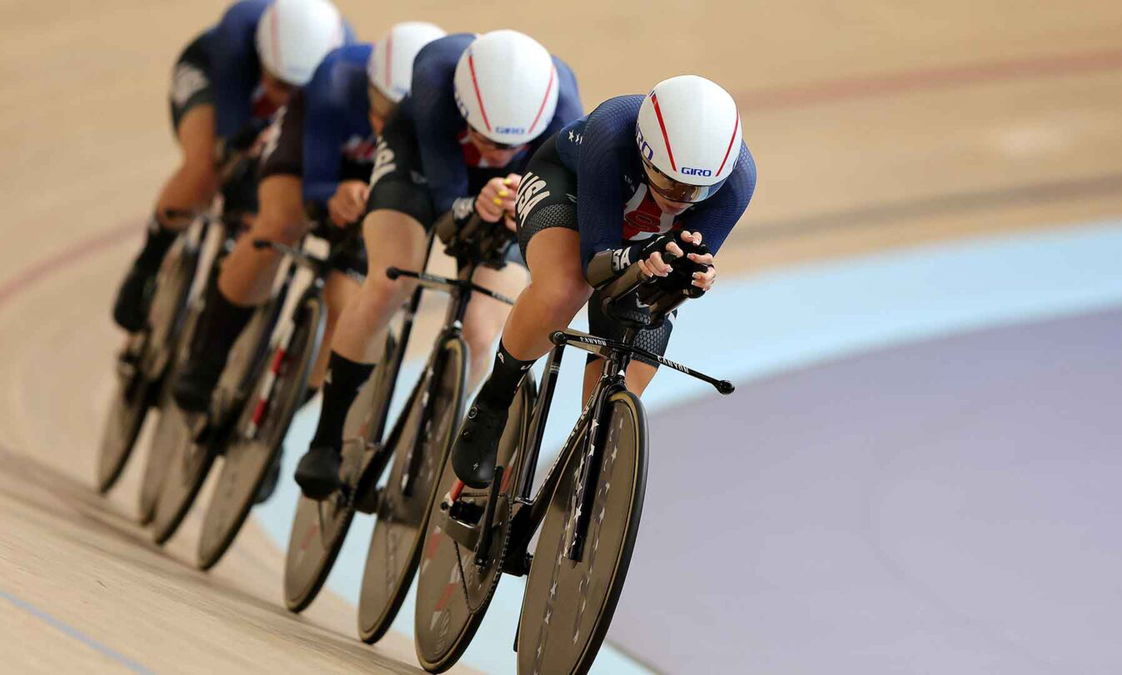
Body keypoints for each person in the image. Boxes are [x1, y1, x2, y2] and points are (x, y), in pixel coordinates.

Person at [293, 30, 583, 499]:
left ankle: (426, 442)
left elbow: (557, 207)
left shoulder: (566, 113)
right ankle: (325, 439)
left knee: (482, 330)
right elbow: (448, 209)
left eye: (515, 145)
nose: (501, 154)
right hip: (421, 161)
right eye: (490, 140)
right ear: (465, 110)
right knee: (391, 280)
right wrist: (471, 206)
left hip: (507, 189)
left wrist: (518, 212)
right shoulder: (434, 75)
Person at [450, 75, 757, 489]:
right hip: (569, 194)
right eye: (669, 182)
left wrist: (694, 279)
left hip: (640, 243)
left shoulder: (737, 180)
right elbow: (595, 262)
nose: (680, 198)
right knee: (566, 286)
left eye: (698, 190)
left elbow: (681, 266)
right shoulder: (613, 130)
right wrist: (635, 258)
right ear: (644, 153)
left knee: (635, 343)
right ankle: (494, 399)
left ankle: (580, 468)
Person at [170, 22, 446, 419]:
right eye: (380, 107)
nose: (386, 126)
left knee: (350, 298)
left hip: (377, 185)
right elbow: (314, 179)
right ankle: (206, 362)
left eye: (401, 118)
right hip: (311, 159)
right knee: (279, 225)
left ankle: (285, 417)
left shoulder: (439, 124)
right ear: (368, 83)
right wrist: (332, 194)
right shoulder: (336, 79)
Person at [112, 0, 351, 334]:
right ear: (262, 57)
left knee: (265, 218)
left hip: (277, 114)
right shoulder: (239, 36)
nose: (287, 99)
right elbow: (231, 136)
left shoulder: (341, 62)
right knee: (206, 166)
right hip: (211, 77)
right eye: (280, 84)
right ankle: (148, 264)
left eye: (299, 90)